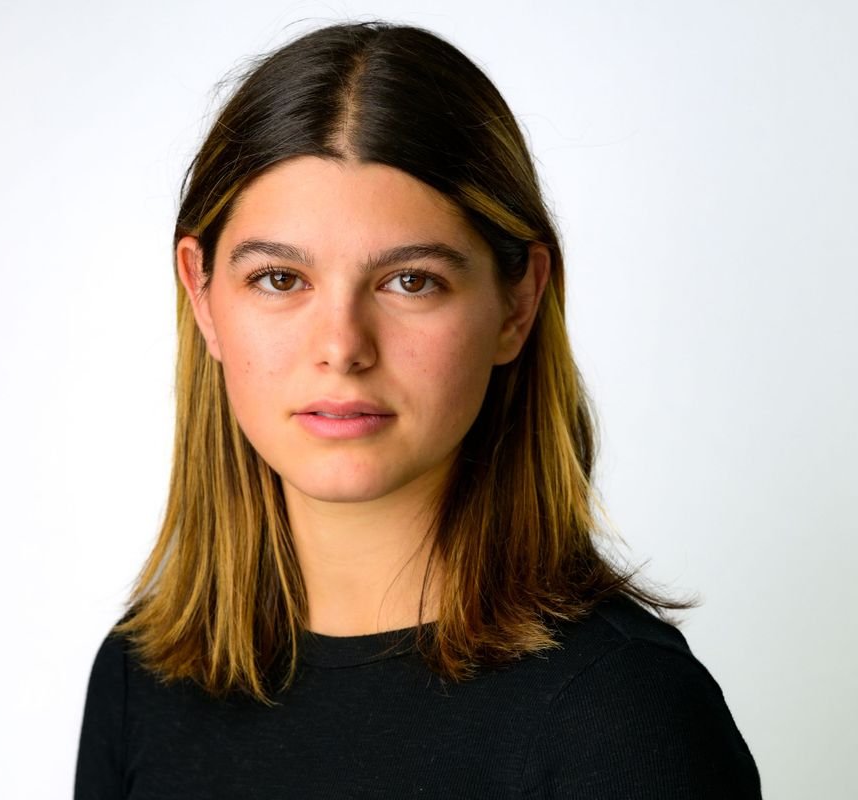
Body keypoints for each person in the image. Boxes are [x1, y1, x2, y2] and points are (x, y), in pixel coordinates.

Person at [74, 20, 762, 799]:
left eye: (411, 281)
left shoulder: (626, 716)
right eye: (278, 279)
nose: (342, 346)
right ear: (201, 294)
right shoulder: (141, 680)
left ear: (517, 303)